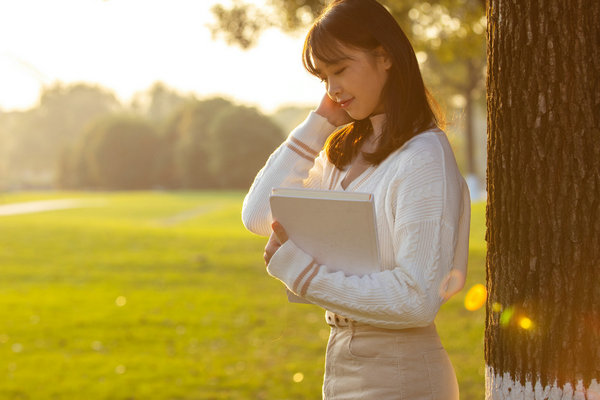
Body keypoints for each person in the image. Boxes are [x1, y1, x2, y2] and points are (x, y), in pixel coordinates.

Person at [241, 0, 471, 398]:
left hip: (402, 373)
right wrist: (319, 123)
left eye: (341, 69)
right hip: (344, 359)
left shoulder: (423, 157)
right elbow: (259, 214)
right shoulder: (343, 153)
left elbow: (416, 300)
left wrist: (302, 274)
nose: (332, 89)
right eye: (323, 78)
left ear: (384, 57)